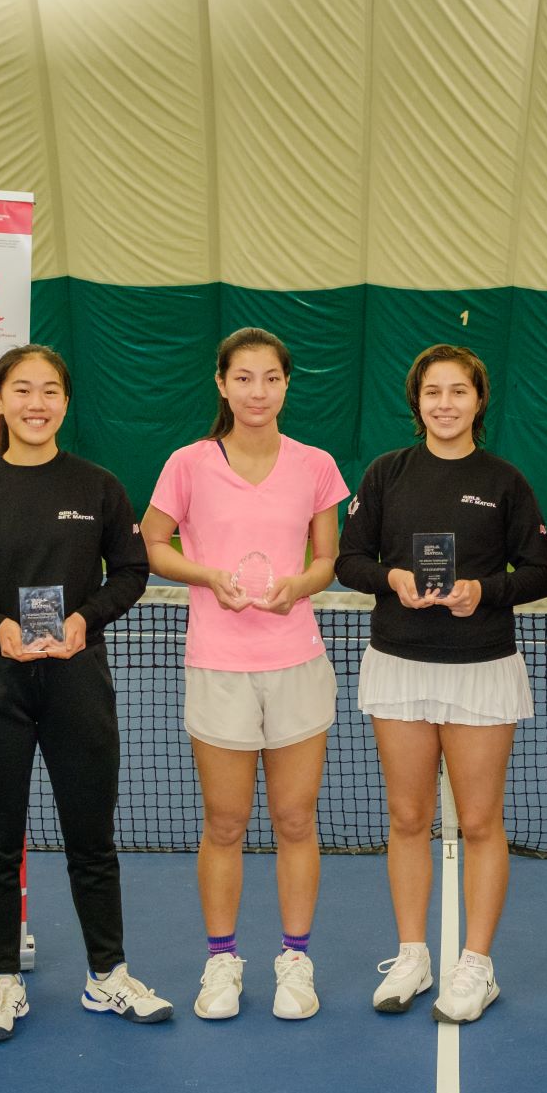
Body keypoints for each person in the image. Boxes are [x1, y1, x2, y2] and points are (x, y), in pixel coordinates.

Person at [0, 343, 168, 1040]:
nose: (36, 403)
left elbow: (133, 571)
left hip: (78, 683)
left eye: (50, 390)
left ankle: (107, 975)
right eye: (21, 390)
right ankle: (2, 982)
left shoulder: (99, 488)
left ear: (65, 401)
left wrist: (86, 619)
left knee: (92, 839)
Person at [338, 345, 547, 1024]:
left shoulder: (505, 482)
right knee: (407, 818)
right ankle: (413, 953)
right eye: (432, 392)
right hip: (399, 664)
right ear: (417, 402)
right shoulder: (386, 474)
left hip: (481, 669)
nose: (445, 404)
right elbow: (350, 559)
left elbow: (542, 573)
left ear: (478, 400)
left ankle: (476, 965)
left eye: (458, 391)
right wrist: (392, 579)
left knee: (481, 821)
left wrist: (481, 592)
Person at [142, 328, 349, 1021]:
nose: (258, 391)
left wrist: (300, 585)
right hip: (219, 666)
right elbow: (152, 541)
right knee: (225, 823)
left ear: (287, 385)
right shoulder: (189, 463)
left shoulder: (316, 465)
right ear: (222, 384)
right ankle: (221, 962)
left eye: (271, 378)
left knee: (295, 818)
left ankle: (296, 960)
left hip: (296, 664)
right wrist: (206, 575)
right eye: (244, 378)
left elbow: (328, 560)